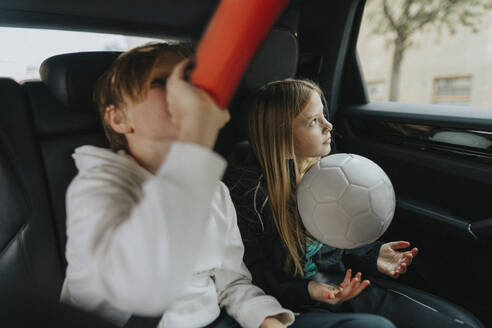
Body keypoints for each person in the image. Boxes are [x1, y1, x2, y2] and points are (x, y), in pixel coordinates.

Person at [60, 43, 295, 328]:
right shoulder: (97, 188)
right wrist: (198, 138)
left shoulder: (214, 191)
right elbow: (135, 288)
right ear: (119, 119)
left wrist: (264, 318)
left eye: (190, 82)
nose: (187, 92)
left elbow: (230, 280)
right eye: (162, 82)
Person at [224, 78, 473, 328]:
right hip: (291, 302)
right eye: (313, 121)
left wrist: (371, 254)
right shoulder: (250, 196)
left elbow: (334, 244)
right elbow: (252, 278)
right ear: (281, 137)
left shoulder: (328, 173)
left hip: (338, 284)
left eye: (323, 115)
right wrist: (309, 289)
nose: (328, 125)